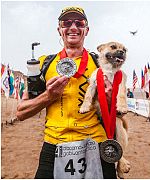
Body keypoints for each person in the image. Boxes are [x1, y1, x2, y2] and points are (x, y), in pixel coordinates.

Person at [16, 6, 116, 179]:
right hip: (54, 144)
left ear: (86, 30)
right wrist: (49, 96)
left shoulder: (100, 65)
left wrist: (109, 97)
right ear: (59, 29)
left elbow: (117, 112)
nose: (73, 27)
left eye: (79, 22)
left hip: (95, 143)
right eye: (67, 22)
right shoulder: (42, 64)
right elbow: (21, 112)